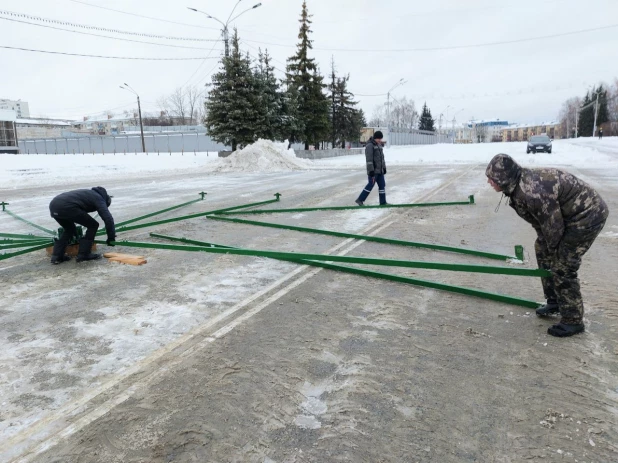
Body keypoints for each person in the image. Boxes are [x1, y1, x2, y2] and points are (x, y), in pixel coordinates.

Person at [486, 154, 608, 337]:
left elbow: (555, 229)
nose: (489, 181)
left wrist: (555, 254)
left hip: (586, 216)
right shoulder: (517, 186)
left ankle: (573, 320)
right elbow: (540, 221)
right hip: (569, 217)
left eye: (492, 178)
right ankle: (555, 301)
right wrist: (546, 246)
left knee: (563, 266)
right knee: (541, 249)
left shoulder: (532, 192)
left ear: (504, 178)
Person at [49, 186, 116, 264]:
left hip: (54, 205)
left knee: (69, 229)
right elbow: (108, 219)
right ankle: (84, 254)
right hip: (67, 207)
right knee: (93, 225)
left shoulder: (89, 193)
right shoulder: (99, 199)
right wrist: (111, 238)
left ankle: (56, 257)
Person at [355, 131, 387, 206]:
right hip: (374, 171)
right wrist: (371, 170)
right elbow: (369, 160)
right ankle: (360, 200)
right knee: (370, 185)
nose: (380, 140)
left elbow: (382, 159)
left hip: (380, 171)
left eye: (380, 139)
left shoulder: (379, 145)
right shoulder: (370, 145)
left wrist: (384, 168)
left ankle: (383, 202)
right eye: (378, 138)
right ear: (375, 138)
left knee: (382, 185)